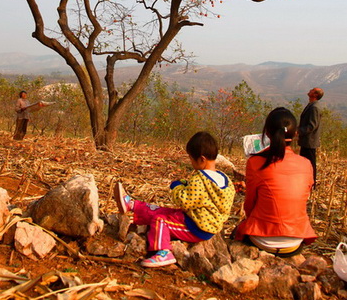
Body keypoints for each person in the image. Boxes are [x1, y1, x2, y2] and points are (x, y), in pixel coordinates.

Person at [113, 131, 235, 268]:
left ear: (201, 159)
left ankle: (163, 251)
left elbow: (183, 200)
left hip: (196, 228)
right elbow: (202, 197)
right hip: (201, 222)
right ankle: (132, 205)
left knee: (160, 220)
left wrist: (176, 187)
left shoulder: (200, 179)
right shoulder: (224, 179)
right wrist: (186, 184)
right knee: (164, 211)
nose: (191, 162)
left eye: (191, 159)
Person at [234, 107, 316, 257]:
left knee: (236, 231)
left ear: (267, 133)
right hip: (295, 242)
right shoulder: (306, 164)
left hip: (261, 239)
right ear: (295, 133)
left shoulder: (256, 162)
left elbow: (249, 205)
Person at [298, 87, 324, 184]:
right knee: (305, 163)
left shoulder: (315, 108)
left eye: (312, 90)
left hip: (310, 141)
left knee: (310, 163)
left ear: (315, 95)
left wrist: (299, 131)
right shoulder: (311, 105)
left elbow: (311, 125)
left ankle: (311, 183)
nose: (310, 90)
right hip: (306, 141)